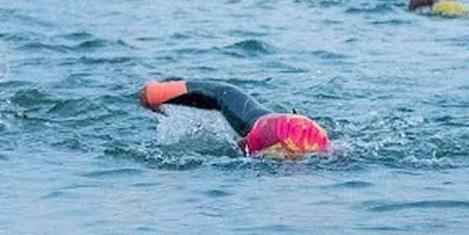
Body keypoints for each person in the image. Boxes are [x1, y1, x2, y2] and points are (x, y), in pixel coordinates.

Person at [138, 79, 329, 158]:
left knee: (224, 93)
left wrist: (154, 94)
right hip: (304, 140)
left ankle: (155, 94)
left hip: (273, 128)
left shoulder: (260, 128)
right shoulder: (324, 152)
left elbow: (224, 93)